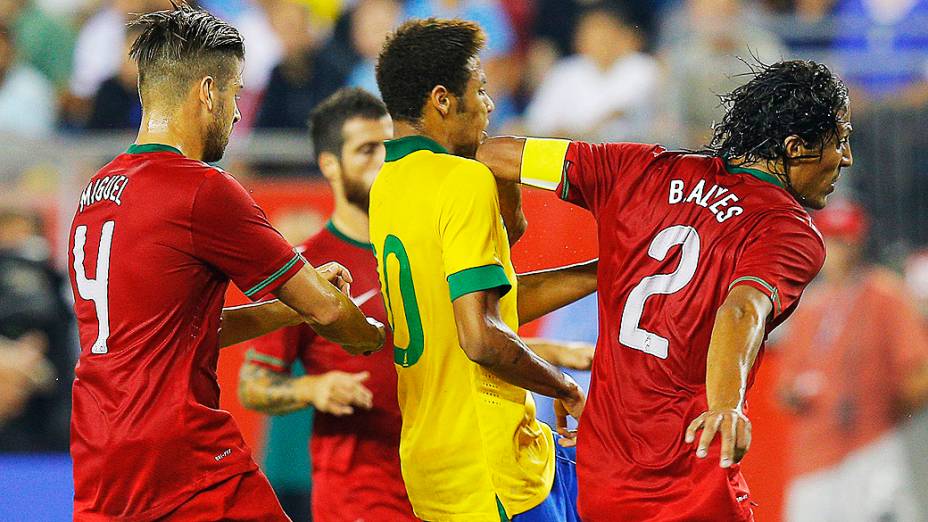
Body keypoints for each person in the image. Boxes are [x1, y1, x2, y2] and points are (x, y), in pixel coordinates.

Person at [477, 59, 854, 520]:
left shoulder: (636, 167)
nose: (847, 157)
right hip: (692, 489)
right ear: (796, 147)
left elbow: (492, 155)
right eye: (841, 140)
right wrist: (726, 406)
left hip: (602, 486)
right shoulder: (786, 230)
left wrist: (512, 222)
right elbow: (741, 310)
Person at [67, 5, 385, 521]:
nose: (238, 112)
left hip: (102, 459)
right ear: (208, 91)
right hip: (183, 459)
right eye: (236, 93)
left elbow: (171, 331)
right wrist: (370, 335)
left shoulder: (94, 196)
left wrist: (289, 310)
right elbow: (331, 313)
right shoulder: (200, 190)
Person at [240, 86, 596, 522]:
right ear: (330, 165)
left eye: (384, 148)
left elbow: (458, 329)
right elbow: (253, 384)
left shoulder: (419, 231)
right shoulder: (310, 266)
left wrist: (551, 347)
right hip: (364, 492)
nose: (381, 162)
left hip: (447, 476)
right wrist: (311, 387)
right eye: (366, 150)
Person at [371, 19, 601, 521]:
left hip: (432, 461)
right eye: (481, 89)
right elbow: (480, 337)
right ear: (442, 100)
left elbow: (496, 287)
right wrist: (564, 387)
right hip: (492, 467)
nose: (490, 105)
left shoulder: (388, 184)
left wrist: (597, 273)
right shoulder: (461, 182)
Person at [776, 200, 928, 522]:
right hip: (815, 458)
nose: (837, 251)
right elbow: (784, 390)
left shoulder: (884, 294)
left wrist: (883, 415)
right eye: (830, 240)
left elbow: (919, 373)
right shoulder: (808, 308)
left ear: (858, 242)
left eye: (843, 241)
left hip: (872, 450)